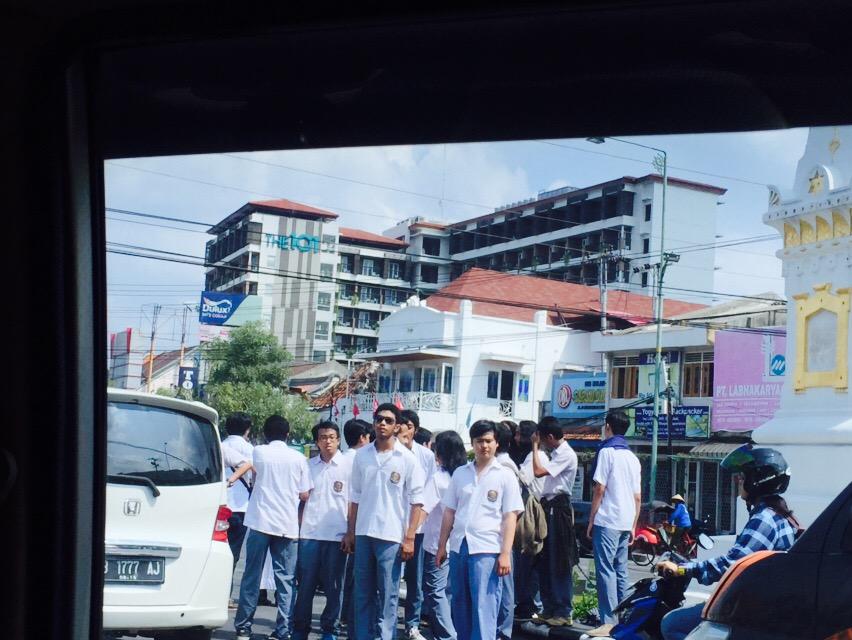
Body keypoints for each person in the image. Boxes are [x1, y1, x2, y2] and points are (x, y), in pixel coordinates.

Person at [659, 445, 799, 640]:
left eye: (742, 476)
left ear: (758, 480)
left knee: (672, 624)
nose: (737, 481)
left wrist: (683, 569)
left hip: (751, 610)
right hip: (760, 604)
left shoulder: (764, 519)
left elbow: (733, 565)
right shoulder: (779, 514)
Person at [343, 403, 425, 640]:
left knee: (388, 594)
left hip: (391, 535)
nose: (382, 424)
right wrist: (350, 532)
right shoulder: (362, 455)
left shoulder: (407, 459)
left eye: (389, 420)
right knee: (362, 593)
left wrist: (409, 537)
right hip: (364, 532)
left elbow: (417, 501)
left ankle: (385, 636)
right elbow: (355, 497)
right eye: (379, 419)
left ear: (397, 426)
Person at [436, 420, 524, 640]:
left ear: (496, 444)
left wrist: (505, 554)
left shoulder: (505, 475)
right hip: (459, 545)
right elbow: (449, 512)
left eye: (488, 441)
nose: (483, 446)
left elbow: (510, 517)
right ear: (472, 444)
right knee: (460, 604)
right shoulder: (460, 474)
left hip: (487, 549)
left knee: (484, 607)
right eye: (479, 441)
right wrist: (441, 546)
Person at [235, 415, 313, 640]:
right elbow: (305, 493)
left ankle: (243, 627)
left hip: (260, 521)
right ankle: (283, 630)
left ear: (266, 433)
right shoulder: (298, 458)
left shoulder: (258, 452)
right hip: (286, 524)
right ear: (288, 434)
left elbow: (252, 471)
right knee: (286, 580)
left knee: (252, 575)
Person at [291, 421, 352, 640]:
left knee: (334, 587)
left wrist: (350, 533)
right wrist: (298, 530)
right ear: (317, 441)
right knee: (305, 586)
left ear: (338, 440)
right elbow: (300, 501)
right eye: (323, 437)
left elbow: (352, 503)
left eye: (332, 437)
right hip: (309, 535)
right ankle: (300, 629)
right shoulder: (307, 466)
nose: (328, 441)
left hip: (337, 536)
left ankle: (330, 630)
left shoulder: (348, 467)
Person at [584, 410, 641, 638]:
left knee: (605, 570)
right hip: (626, 520)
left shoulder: (607, 451)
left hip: (607, 518)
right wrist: (634, 524)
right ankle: (625, 619)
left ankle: (608, 621)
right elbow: (638, 496)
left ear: (607, 426)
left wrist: (591, 518)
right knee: (621, 571)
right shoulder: (632, 457)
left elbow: (599, 488)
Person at [530, 415, 579, 628]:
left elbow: (538, 472)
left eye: (541, 439)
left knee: (559, 559)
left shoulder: (566, 454)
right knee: (545, 559)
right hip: (549, 506)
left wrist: (533, 448)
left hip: (558, 508)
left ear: (549, 437)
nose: (541, 443)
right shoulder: (556, 453)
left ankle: (563, 610)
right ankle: (549, 607)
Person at [420, 430, 467, 640]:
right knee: (449, 592)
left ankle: (448, 636)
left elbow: (423, 509)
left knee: (435, 592)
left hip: (436, 544)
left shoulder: (438, 478)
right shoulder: (463, 476)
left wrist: (409, 534)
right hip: (458, 544)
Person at [398, 409, 436, 640]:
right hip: (392, 525)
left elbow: (428, 493)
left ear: (415, 429)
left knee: (415, 578)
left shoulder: (426, 456)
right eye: (400, 424)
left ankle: (412, 624)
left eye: (409, 425)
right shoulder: (389, 453)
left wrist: (416, 525)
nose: (404, 429)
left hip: (417, 527)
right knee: (389, 579)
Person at [340, 417, 374, 632]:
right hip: (356, 524)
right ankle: (352, 620)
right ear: (363, 438)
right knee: (356, 578)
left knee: (343, 578)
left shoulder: (341, 458)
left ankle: (345, 616)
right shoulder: (362, 459)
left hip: (341, 523)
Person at [514, 420, 548, 621]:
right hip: (534, 511)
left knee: (528, 560)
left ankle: (531, 604)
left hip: (534, 512)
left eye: (519, 434)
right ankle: (529, 603)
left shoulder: (536, 457)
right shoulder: (533, 456)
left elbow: (525, 479)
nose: (516, 439)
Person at [220, 412, 254, 608]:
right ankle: (226, 595)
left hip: (220, 504)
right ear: (247, 430)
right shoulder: (250, 449)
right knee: (233, 553)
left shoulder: (218, 444)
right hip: (241, 507)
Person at [494, 421, 519, 638]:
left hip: (502, 537)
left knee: (504, 587)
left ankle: (503, 631)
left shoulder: (505, 467)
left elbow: (512, 511)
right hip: (489, 537)